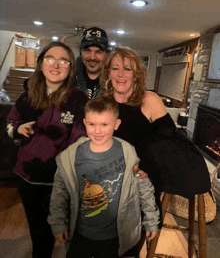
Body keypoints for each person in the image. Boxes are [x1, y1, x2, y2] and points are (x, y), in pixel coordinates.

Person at [48, 96, 159, 258]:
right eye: (92, 124)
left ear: (116, 124)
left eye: (104, 124)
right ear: (85, 123)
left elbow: (143, 186)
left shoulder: (128, 152)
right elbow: (59, 191)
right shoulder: (72, 156)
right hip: (80, 235)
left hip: (114, 238)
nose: (97, 131)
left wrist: (151, 219)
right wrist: (58, 223)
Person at [6, 42, 88, 258]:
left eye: (64, 61)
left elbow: (80, 139)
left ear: (71, 68)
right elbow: (11, 122)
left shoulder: (78, 99)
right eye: (50, 59)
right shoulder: (28, 95)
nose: (56, 65)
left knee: (65, 232)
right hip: (27, 177)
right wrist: (17, 128)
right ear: (41, 64)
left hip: (60, 181)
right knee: (38, 233)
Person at [100, 46, 211, 198]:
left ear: (136, 75)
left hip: (143, 181)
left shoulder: (149, 99)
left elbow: (167, 141)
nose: (120, 74)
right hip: (108, 176)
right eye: (115, 68)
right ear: (108, 73)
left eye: (127, 69)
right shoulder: (101, 104)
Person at [76, 26, 109, 99]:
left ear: (106, 54)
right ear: (81, 52)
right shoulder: (69, 78)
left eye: (98, 52)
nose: (92, 57)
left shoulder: (114, 81)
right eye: (87, 51)